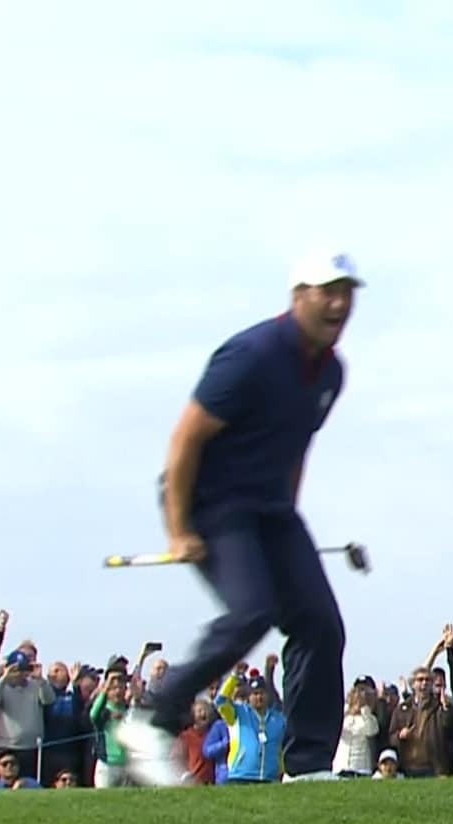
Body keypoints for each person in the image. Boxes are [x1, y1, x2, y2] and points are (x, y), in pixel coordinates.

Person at [116, 250, 363, 787]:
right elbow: (186, 439)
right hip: (210, 500)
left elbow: (298, 444)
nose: (339, 304)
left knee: (320, 623)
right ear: (299, 296)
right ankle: (152, 719)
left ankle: (308, 766)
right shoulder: (251, 354)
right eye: (327, 292)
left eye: (347, 293)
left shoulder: (331, 372)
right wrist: (180, 528)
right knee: (252, 612)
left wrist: (288, 521)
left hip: (270, 510)